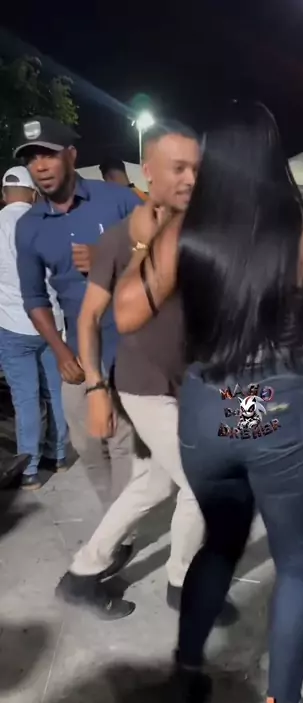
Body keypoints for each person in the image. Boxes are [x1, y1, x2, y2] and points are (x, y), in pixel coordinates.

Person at [114, 102, 303, 703]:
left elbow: (126, 314)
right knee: (296, 564)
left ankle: (187, 676)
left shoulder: (184, 231)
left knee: (219, 541)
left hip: (208, 409)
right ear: (274, 154)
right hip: (276, 405)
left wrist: (146, 240)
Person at [66, 122, 235, 623]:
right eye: (178, 168)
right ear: (150, 172)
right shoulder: (120, 240)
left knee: (152, 485)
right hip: (143, 386)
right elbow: (88, 318)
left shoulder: (199, 234)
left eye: (197, 169)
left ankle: (82, 573)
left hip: (188, 385)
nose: (191, 179)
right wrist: (96, 388)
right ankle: (184, 584)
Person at [15, 117, 142, 589]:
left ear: (71, 154)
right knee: (88, 444)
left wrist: (115, 256)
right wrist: (59, 350)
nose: (40, 166)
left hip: (131, 345)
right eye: (31, 158)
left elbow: (165, 247)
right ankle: (116, 517)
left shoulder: (117, 199)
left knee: (123, 442)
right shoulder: (29, 227)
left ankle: (119, 535)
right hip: (78, 352)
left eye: (47, 154)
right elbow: (34, 297)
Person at [0, 166, 67, 490]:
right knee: (55, 392)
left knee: (25, 398)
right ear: (33, 194)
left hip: (12, 325)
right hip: (51, 324)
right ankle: (59, 454)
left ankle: (29, 470)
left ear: (3, 195)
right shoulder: (47, 224)